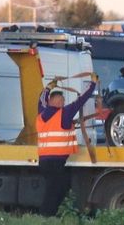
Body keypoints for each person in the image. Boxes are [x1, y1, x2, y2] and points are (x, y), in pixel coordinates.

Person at [36, 77, 98, 216]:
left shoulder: (41, 113)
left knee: (62, 186)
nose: (64, 103)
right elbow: (80, 101)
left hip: (44, 161)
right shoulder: (64, 113)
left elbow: (41, 99)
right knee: (54, 191)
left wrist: (48, 88)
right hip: (55, 162)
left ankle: (50, 215)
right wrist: (93, 84)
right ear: (55, 101)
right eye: (61, 100)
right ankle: (45, 217)